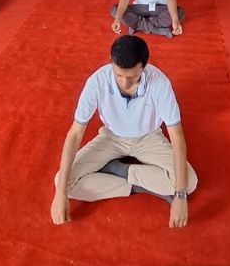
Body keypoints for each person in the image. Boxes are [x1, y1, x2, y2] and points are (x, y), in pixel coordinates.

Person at [50, 34, 197, 229]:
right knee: (62, 181)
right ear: (111, 62)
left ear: (144, 67)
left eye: (132, 77)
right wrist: (60, 194)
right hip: (111, 138)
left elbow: (176, 137)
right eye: (119, 76)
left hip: (149, 137)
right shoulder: (97, 81)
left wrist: (180, 195)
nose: (125, 83)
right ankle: (137, 186)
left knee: (189, 183)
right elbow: (75, 133)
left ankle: (121, 170)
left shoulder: (160, 83)